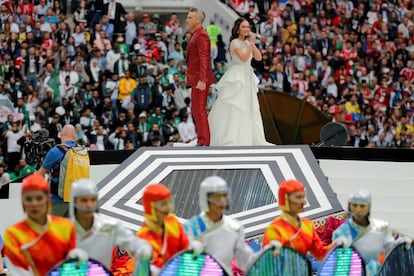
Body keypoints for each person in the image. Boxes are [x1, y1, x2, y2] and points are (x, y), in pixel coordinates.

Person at [184, 175, 279, 274]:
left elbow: (247, 262)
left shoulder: (234, 229)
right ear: (205, 199)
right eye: (217, 196)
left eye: (224, 195)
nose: (222, 201)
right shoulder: (190, 228)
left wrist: (266, 253)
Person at [208, 18, 270, 146]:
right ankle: (232, 137)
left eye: (248, 27)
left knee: (248, 105)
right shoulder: (234, 43)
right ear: (238, 29)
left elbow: (258, 57)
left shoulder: (248, 43)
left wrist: (252, 44)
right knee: (236, 105)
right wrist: (251, 44)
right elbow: (243, 58)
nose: (247, 29)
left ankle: (247, 137)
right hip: (237, 75)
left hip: (247, 75)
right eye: (243, 27)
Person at [69, 178, 152, 270]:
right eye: (84, 200)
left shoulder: (111, 226)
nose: (89, 205)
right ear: (74, 201)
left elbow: (133, 243)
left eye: (93, 200)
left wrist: (143, 248)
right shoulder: (63, 228)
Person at [2, 174, 78, 275]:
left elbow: (72, 267)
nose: (34, 204)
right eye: (29, 199)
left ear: (48, 200)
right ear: (23, 202)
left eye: (39, 198)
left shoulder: (66, 227)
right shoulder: (13, 234)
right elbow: (19, 272)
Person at [332, 188, 412, 275]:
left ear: (368, 206)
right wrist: (339, 246)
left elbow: (392, 244)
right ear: (349, 206)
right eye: (355, 205)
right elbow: (339, 265)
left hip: (379, 272)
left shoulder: (382, 227)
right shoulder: (340, 232)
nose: (358, 209)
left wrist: (402, 242)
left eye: (362, 206)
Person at [136, 183, 203, 275]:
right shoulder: (143, 238)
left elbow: (185, 245)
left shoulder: (172, 221)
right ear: (150, 208)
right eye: (163, 204)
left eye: (170, 202)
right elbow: (155, 269)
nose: (168, 207)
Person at [263, 179, 335, 260]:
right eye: (298, 197)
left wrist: (337, 244)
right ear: (285, 199)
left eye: (303, 197)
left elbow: (321, 254)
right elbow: (267, 264)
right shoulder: (274, 229)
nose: (303, 201)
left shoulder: (307, 225)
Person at [36, 124, 88, 217]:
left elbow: (39, 175)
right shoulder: (83, 151)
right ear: (74, 136)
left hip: (58, 200)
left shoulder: (57, 150)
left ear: (62, 135)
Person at [185, 7, 215, 147]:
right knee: (196, 109)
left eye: (190, 17)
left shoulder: (201, 35)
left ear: (197, 21)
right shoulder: (195, 34)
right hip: (196, 78)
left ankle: (204, 141)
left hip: (200, 79)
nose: (187, 19)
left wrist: (203, 79)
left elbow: (204, 58)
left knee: (199, 109)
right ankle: (202, 139)